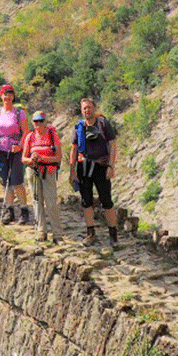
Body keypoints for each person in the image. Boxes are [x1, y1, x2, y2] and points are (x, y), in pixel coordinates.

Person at [69, 97, 120, 247]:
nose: (87, 110)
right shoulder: (79, 127)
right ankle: (90, 233)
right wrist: (72, 172)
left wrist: (111, 166)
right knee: (86, 201)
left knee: (107, 201)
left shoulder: (103, 124)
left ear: (94, 108)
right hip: (83, 167)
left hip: (101, 166)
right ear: (81, 110)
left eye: (89, 107)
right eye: (84, 108)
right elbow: (73, 149)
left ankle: (113, 234)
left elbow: (112, 144)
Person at [0, 85, 30, 224]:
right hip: (1, 151)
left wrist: (20, 145)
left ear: (13, 97)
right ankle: (9, 211)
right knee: (6, 181)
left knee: (17, 181)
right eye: (4, 95)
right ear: (1, 96)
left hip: (16, 151)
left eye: (9, 95)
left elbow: (26, 131)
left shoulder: (19, 113)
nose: (7, 97)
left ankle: (24, 210)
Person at [22, 111, 64, 240]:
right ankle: (41, 231)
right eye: (36, 121)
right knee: (36, 201)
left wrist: (41, 157)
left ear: (46, 122)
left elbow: (58, 158)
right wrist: (31, 160)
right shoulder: (30, 136)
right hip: (33, 171)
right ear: (33, 123)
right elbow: (23, 158)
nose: (38, 124)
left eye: (41, 121)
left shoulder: (53, 136)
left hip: (48, 172)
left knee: (51, 202)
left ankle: (57, 234)